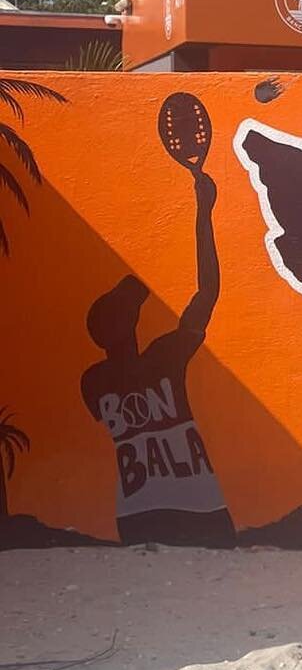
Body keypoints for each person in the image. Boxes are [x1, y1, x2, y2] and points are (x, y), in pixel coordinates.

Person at [81, 148, 234, 547]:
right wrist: (204, 214)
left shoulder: (99, 380)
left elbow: (208, 293)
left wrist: (204, 215)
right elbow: (208, 292)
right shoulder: (157, 359)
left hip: (156, 511)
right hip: (180, 508)